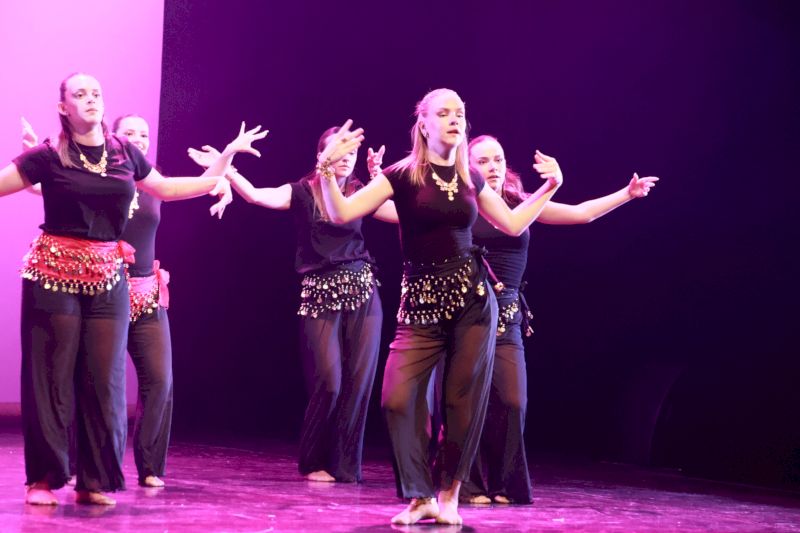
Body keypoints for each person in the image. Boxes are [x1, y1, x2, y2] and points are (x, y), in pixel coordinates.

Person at [2, 72, 264, 505]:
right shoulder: (47, 155)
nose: (91, 98)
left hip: (109, 276)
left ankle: (95, 481)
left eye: (96, 92)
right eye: (80, 94)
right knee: (52, 376)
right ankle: (44, 479)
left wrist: (223, 167)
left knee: (104, 379)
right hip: (54, 273)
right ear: (64, 107)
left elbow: (167, 188)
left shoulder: (124, 153)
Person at [315, 88, 563, 525]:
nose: (454, 119)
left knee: (461, 404)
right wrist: (326, 171)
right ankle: (419, 495)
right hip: (421, 303)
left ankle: (448, 497)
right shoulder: (401, 175)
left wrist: (550, 186)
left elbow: (512, 223)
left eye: (460, 113)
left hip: (473, 302)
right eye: (444, 113)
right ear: (424, 124)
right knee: (397, 399)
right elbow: (341, 213)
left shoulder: (471, 178)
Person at [187, 128, 394, 483]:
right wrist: (227, 163)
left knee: (359, 384)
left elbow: (400, 214)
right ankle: (314, 461)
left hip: (363, 290)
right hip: (319, 292)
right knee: (329, 381)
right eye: (339, 150)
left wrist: (379, 177)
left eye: (352, 152)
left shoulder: (359, 192)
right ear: (321, 155)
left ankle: (346, 467)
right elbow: (256, 196)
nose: (347, 157)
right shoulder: (301, 192)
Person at [463, 134, 659, 504]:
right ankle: (467, 485)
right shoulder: (459, 206)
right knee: (467, 402)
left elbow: (581, 213)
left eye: (498, 159)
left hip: (507, 315)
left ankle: (505, 484)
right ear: (468, 167)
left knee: (513, 401)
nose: (493, 167)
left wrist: (627, 194)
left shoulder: (522, 204)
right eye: (483, 161)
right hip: (466, 315)